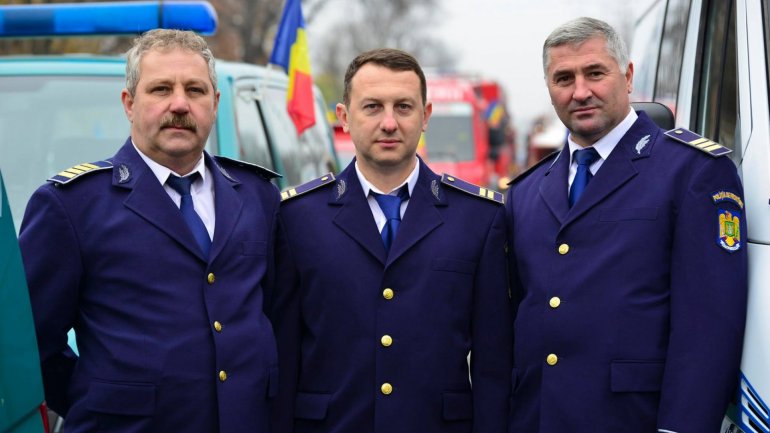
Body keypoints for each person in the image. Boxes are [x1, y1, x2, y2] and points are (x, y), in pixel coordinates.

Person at [19, 29, 281, 433]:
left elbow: (275, 317)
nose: (179, 104)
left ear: (214, 103)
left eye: (195, 90)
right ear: (129, 103)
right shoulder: (71, 205)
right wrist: (103, 399)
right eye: (161, 89)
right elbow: (31, 344)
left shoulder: (257, 195)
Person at [505, 17, 747, 433]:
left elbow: (709, 326)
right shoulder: (525, 192)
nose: (580, 91)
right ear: (549, 88)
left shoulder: (692, 171)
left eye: (595, 73)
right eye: (564, 78)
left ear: (628, 75)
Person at [270, 48, 512, 433]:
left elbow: (493, 365)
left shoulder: (479, 219)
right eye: (372, 107)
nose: (389, 123)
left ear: (425, 116)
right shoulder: (297, 218)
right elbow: (282, 357)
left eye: (403, 107)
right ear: (344, 118)